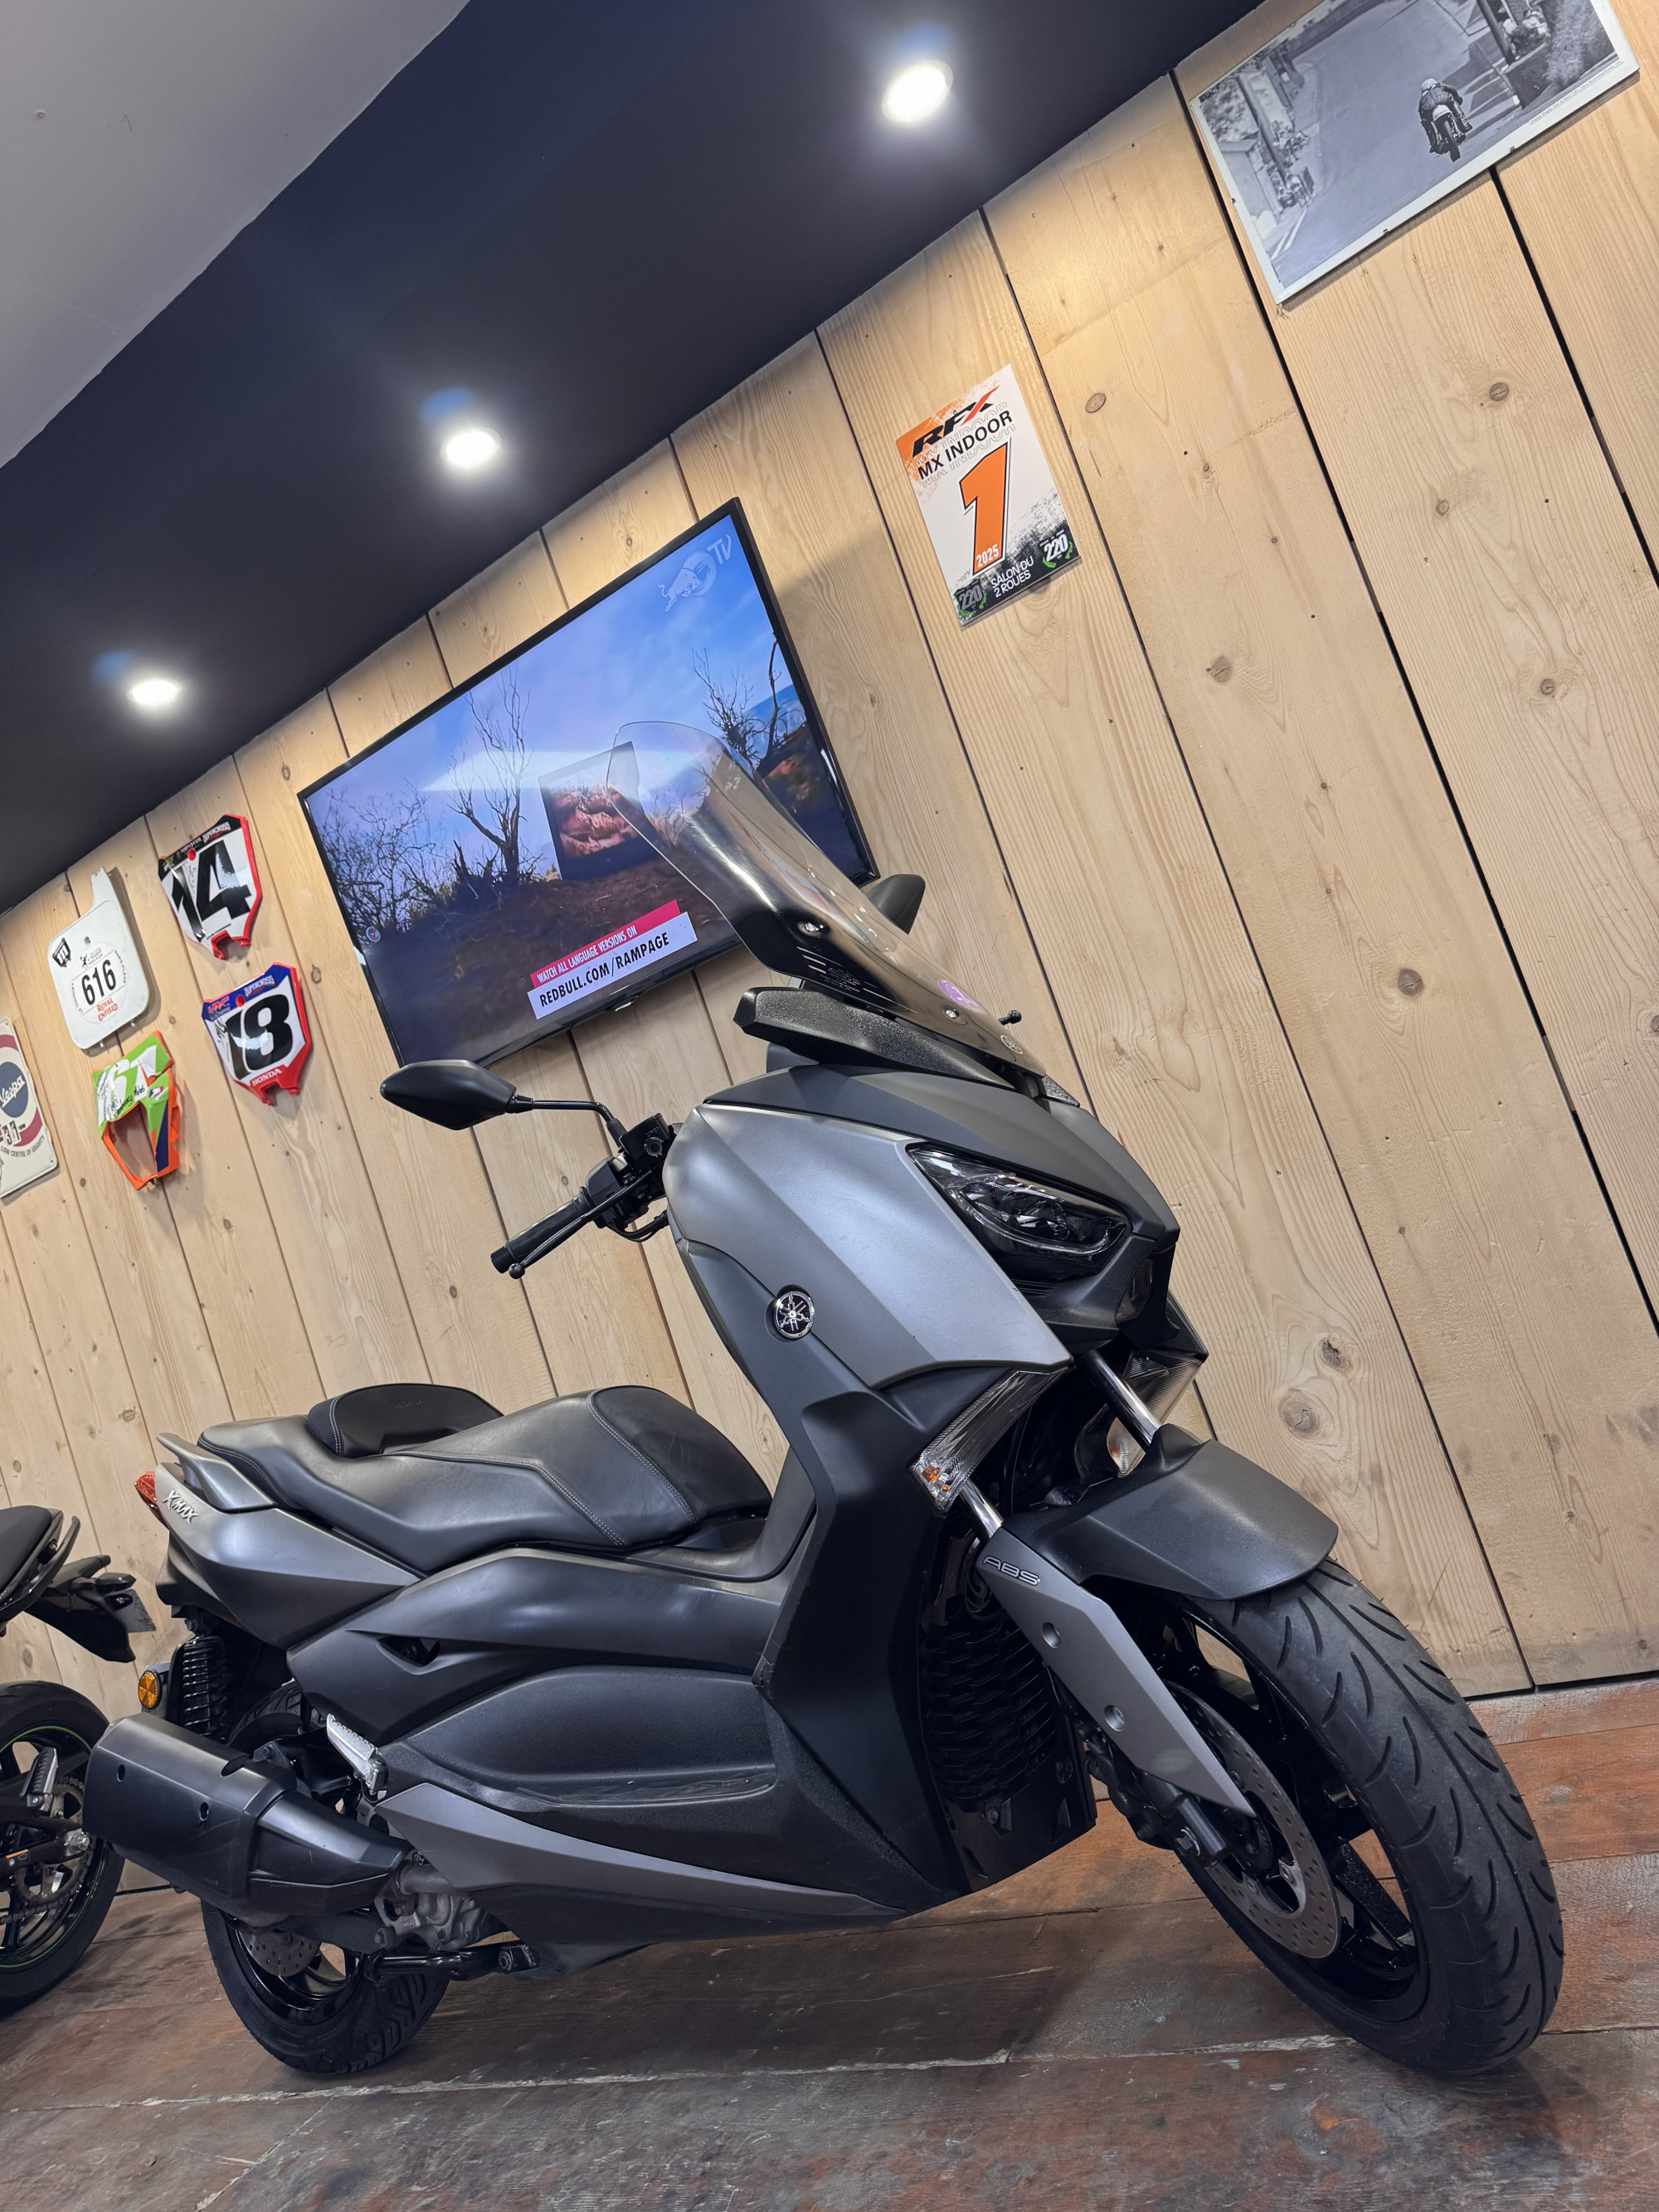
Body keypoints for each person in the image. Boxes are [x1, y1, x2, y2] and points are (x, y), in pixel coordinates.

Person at [1418, 77, 1468, 150]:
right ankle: (1463, 121)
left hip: (1429, 107)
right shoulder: (1439, 85)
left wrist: (1424, 121)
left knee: (1427, 123)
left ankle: (1433, 141)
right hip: (1444, 99)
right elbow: (1452, 89)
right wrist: (1458, 99)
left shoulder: (1422, 97)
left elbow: (1420, 111)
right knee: (1453, 102)